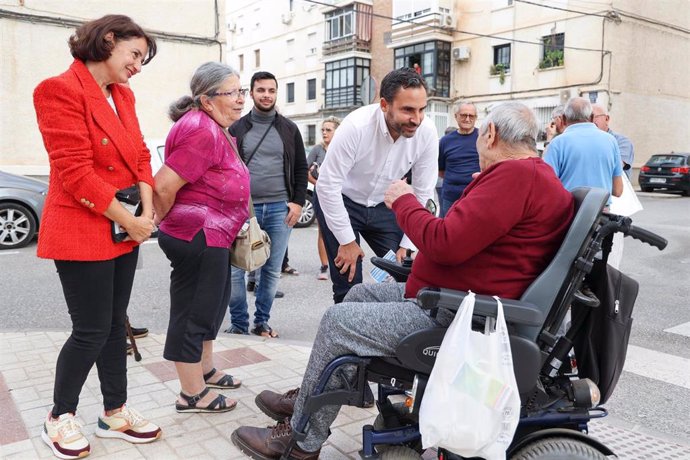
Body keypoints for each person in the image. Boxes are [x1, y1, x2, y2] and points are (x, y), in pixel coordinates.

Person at [230, 102, 575, 459]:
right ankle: (313, 400)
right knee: (360, 294)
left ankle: (302, 443)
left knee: (337, 322)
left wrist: (405, 202)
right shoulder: (532, 176)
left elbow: (444, 243)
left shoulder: (516, 178)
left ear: (490, 134)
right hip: (455, 300)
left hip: (458, 316)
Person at [33, 14, 161, 459]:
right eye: (134, 54)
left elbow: (142, 153)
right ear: (108, 40)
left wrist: (145, 209)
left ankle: (114, 411)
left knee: (114, 324)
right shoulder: (58, 89)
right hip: (82, 224)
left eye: (142, 60)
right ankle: (60, 416)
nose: (137, 66)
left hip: (123, 221)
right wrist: (131, 219)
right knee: (89, 329)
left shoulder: (122, 95)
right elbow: (74, 172)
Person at [153, 62, 250, 414]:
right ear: (207, 100)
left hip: (215, 235)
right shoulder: (200, 129)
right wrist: (163, 221)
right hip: (197, 235)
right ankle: (191, 393)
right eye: (233, 93)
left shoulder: (212, 125)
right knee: (193, 313)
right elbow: (163, 186)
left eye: (242, 92)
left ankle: (205, 369)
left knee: (211, 306)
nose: (241, 100)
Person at [315, 67, 438, 303]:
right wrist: (347, 242)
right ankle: (346, 334)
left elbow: (423, 191)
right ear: (384, 105)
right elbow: (328, 186)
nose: (417, 119)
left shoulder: (427, 132)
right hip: (343, 202)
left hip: (384, 207)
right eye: (408, 110)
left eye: (422, 109)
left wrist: (408, 243)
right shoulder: (356, 126)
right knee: (349, 285)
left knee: (405, 275)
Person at [226, 71, 308, 338]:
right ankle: (239, 323)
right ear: (251, 93)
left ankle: (262, 322)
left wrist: (296, 203)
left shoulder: (289, 128)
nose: (266, 95)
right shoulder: (236, 128)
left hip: (279, 208)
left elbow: (300, 167)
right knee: (236, 268)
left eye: (271, 91)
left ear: (276, 93)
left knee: (271, 270)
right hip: (243, 210)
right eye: (261, 90)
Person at [544, 97, 623, 202]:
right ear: (591, 118)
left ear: (563, 118)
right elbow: (618, 190)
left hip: (569, 211)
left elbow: (547, 186)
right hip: (600, 212)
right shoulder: (611, 141)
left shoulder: (557, 143)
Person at [306, 116, 341, 280]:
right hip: (321, 195)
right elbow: (306, 171)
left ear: (337, 131)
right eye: (323, 130)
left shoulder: (342, 148)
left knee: (341, 230)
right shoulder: (317, 150)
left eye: (329, 130)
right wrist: (318, 184)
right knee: (322, 231)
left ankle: (339, 263)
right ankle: (325, 266)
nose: (324, 133)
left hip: (341, 196)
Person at [438, 101, 480, 216]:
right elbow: (441, 170)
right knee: (448, 230)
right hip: (450, 197)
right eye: (463, 115)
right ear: (456, 116)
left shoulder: (483, 138)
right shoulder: (445, 141)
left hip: (476, 197)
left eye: (471, 116)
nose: (467, 119)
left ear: (476, 118)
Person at [591, 103, 635, 177]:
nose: (590, 121)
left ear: (607, 119)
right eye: (587, 118)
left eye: (594, 117)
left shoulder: (622, 142)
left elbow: (616, 166)